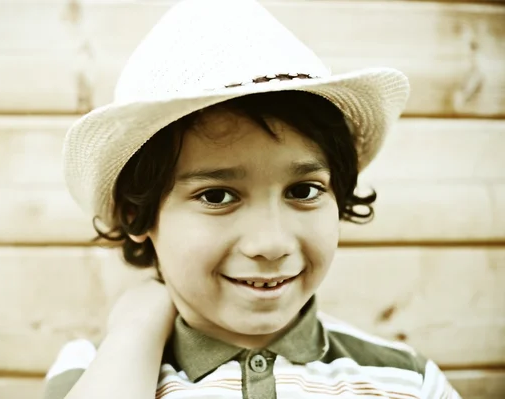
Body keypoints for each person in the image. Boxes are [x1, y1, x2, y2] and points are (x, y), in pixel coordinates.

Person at [43, 0, 461, 398]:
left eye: (303, 191)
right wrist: (137, 328)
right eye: (217, 196)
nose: (271, 244)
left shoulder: (405, 380)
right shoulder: (97, 369)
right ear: (139, 214)